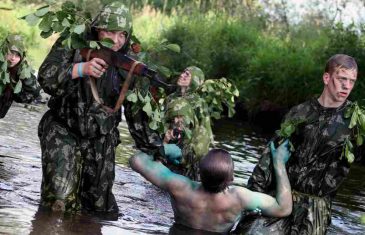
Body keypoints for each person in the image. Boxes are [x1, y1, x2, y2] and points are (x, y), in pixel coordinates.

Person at [241, 54, 360, 234]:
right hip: (282, 197)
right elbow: (271, 156)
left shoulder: (355, 121)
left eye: (352, 81)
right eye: (342, 79)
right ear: (326, 78)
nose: (347, 86)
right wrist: (252, 197)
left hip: (315, 210)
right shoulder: (300, 112)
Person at [37, 2, 135, 214]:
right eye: (109, 32)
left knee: (101, 209)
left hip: (101, 135)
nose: (116, 41)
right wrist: (80, 68)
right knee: (59, 200)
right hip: (63, 127)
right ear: (98, 29)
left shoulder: (129, 62)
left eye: (122, 34)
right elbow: (45, 77)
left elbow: (139, 114)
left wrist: (158, 153)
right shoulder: (74, 40)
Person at [129, 141, 293, 234]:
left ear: (199, 174)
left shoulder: (180, 186)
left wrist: (167, 149)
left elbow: (136, 160)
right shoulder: (239, 198)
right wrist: (279, 163)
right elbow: (284, 208)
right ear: (231, 179)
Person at [162, 66, 214, 180]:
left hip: (189, 154)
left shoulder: (198, 103)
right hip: (172, 147)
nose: (182, 75)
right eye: (182, 72)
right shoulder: (171, 98)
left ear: (195, 81)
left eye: (187, 74)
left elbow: (202, 133)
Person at [0, 34, 40, 118]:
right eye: (10, 53)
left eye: (18, 55)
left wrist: (25, 74)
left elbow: (29, 95)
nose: (13, 58)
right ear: (3, 51)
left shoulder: (18, 73)